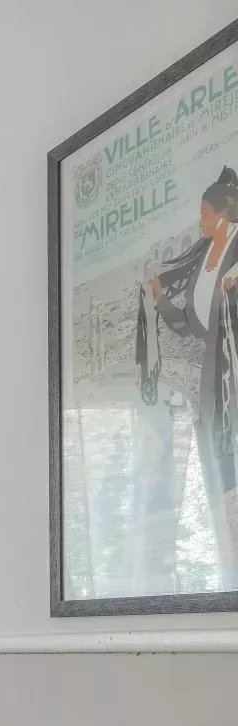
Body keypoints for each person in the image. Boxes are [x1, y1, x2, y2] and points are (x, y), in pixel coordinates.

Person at [147, 166, 238, 520]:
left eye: (204, 212)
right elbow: (190, 325)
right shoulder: (203, 260)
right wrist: (161, 300)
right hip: (215, 369)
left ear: (223, 213)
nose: (200, 220)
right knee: (219, 454)